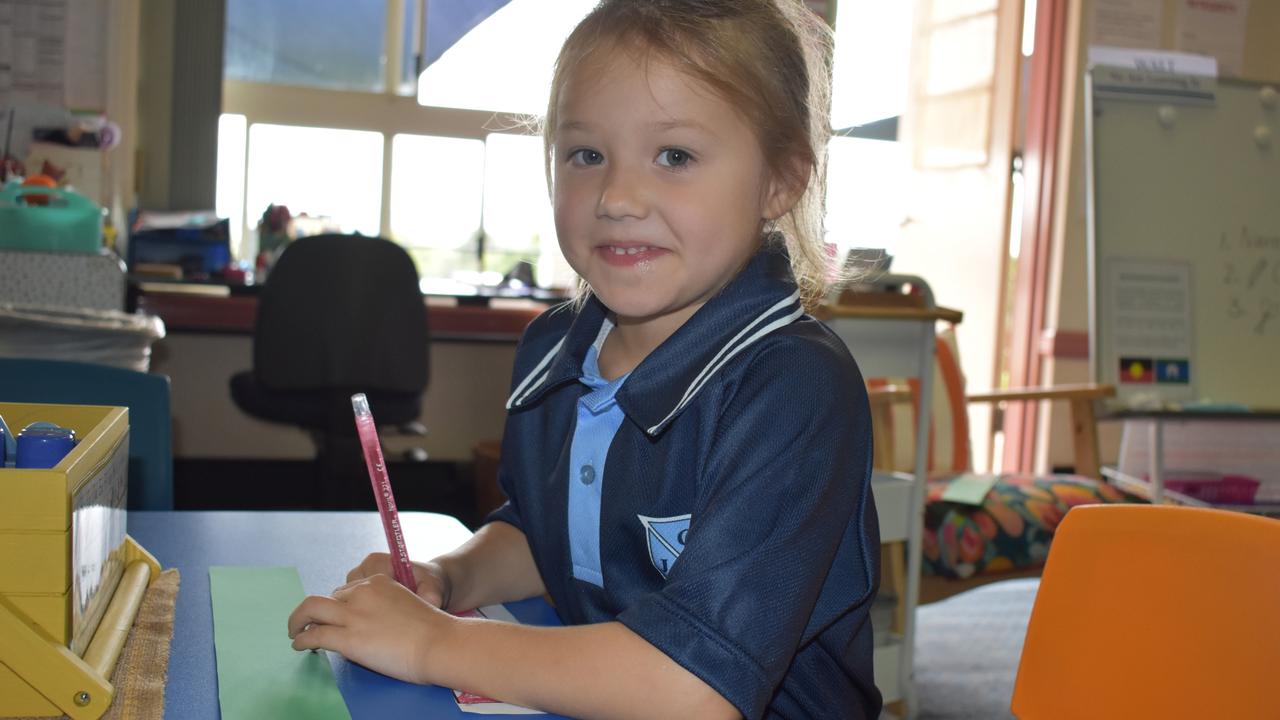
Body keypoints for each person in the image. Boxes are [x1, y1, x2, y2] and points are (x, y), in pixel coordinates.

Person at [287, 1, 880, 717]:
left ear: (780, 180)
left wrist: (431, 644)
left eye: (675, 156)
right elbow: (549, 536)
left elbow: (692, 687)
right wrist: (448, 579)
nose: (618, 196)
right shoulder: (553, 350)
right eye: (586, 154)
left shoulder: (792, 388)